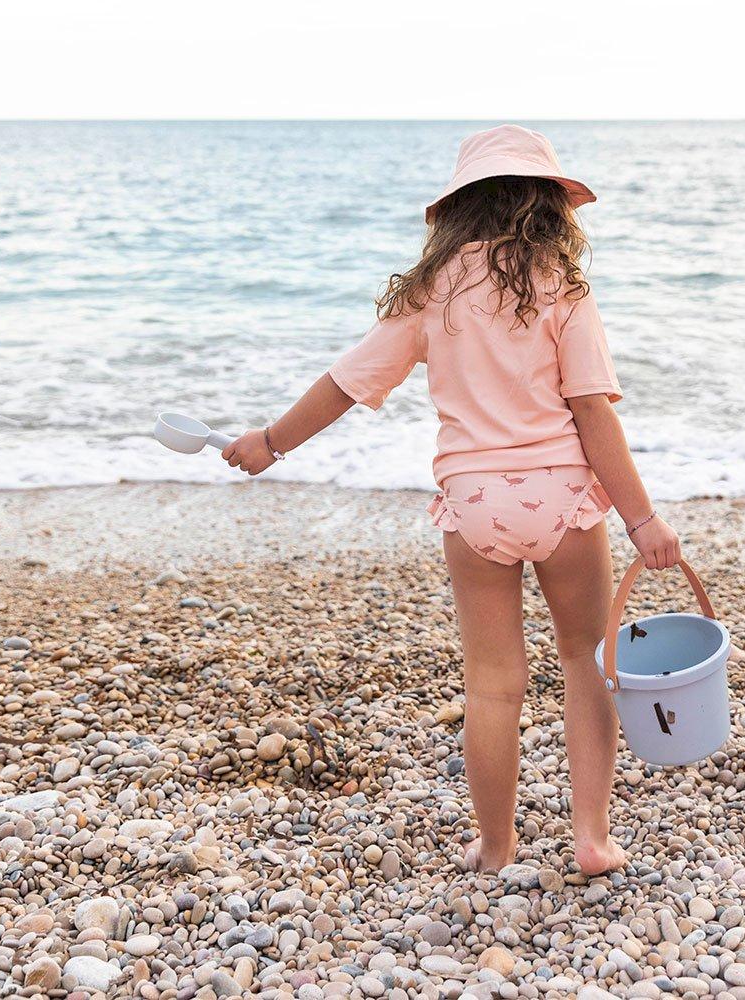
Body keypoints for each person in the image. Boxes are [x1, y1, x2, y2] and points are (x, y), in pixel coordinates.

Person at [223, 125, 681, 874]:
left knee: (494, 685)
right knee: (584, 660)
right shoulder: (564, 291)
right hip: (562, 498)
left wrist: (271, 442)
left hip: (473, 506)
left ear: (460, 209)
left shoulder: (430, 293)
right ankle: (591, 839)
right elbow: (594, 413)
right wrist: (643, 518)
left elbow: (347, 383)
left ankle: (496, 847)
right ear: (550, 208)